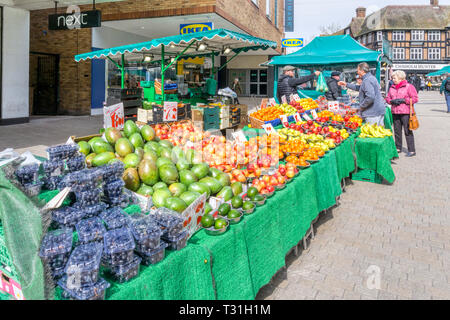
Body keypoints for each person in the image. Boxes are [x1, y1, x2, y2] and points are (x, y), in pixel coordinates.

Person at [385, 70, 419, 157]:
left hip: (406, 112)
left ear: (400, 78)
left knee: (408, 131)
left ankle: (411, 150)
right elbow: (387, 98)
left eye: (394, 78)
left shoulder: (409, 87)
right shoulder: (392, 87)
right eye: (392, 78)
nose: (393, 79)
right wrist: (391, 101)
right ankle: (398, 147)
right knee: (397, 131)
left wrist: (404, 100)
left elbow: (415, 98)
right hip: (395, 112)